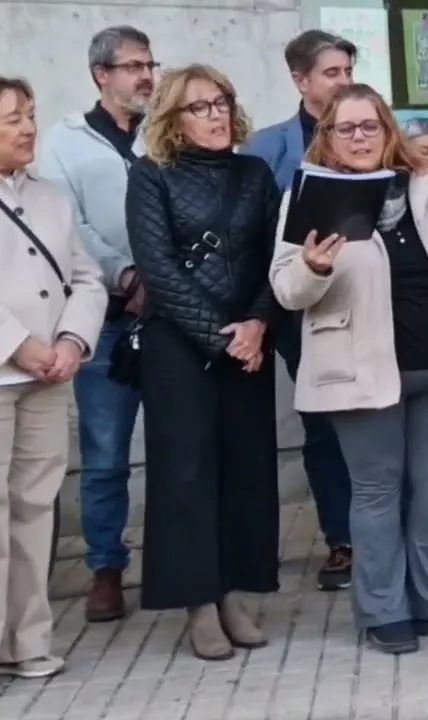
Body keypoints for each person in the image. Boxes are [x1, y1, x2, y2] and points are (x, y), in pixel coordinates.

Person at [270, 83, 428, 651]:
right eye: (346, 128)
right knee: (376, 493)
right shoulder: (312, 196)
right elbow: (285, 288)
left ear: (387, 129)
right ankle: (382, 610)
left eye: (370, 125)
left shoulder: (427, 187)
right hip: (361, 376)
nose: (360, 137)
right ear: (329, 136)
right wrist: (315, 268)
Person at [125, 64, 283, 659]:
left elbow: (278, 255)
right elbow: (158, 268)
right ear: (172, 117)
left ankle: (234, 593)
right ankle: (197, 603)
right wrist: (223, 340)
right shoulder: (151, 176)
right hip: (179, 347)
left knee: (246, 469)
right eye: (200, 107)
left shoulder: (255, 172)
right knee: (186, 473)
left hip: (251, 338)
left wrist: (260, 323)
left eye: (221, 102)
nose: (215, 114)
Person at [39, 25, 153, 623]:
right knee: (106, 453)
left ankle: (174, 558)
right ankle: (106, 568)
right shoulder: (65, 142)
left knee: (178, 447)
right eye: (132, 66)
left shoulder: (167, 134)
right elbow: (69, 226)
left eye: (149, 64)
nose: (145, 76)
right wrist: (124, 277)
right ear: (100, 75)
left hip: (173, 318)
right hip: (106, 321)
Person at [0, 76, 108, 679]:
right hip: (7, 370)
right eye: (12, 117)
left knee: (35, 509)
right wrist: (21, 346)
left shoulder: (50, 198)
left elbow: (87, 278)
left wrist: (71, 341)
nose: (28, 127)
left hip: (48, 377)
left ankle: (26, 642)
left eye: (31, 114)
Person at [242, 29, 357, 592]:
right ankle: (342, 537)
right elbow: (254, 241)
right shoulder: (266, 149)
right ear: (300, 80)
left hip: (371, 307)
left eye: (347, 70)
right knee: (324, 427)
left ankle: (387, 530)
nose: (344, 81)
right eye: (332, 72)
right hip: (300, 311)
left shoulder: (373, 134)